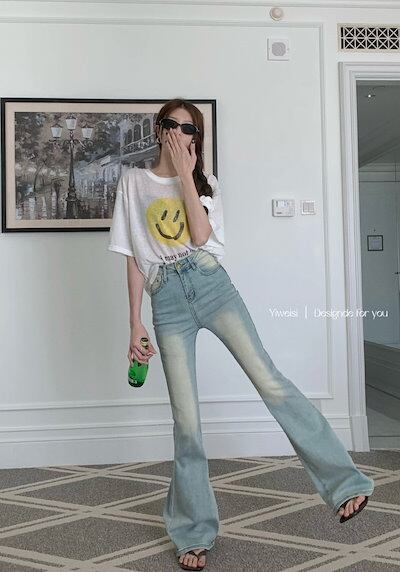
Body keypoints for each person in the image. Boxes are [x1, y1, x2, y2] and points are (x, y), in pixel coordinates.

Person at [108, 98, 374, 572]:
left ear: (197, 138)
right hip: (165, 297)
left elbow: (199, 236)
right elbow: (131, 254)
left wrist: (186, 175)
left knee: (271, 382)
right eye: (170, 125)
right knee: (186, 421)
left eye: (188, 128)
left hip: (211, 283)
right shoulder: (132, 182)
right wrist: (134, 321)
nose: (178, 134)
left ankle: (345, 484)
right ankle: (193, 531)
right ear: (158, 130)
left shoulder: (207, 184)